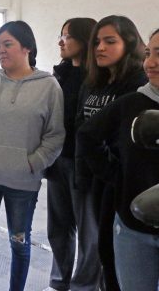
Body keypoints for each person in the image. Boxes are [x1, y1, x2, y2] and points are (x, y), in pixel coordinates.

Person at [0, 20, 65, 291]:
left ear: (27, 47)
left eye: (7, 44)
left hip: (22, 182)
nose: (1, 51)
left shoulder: (49, 86)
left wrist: (32, 163)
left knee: (19, 244)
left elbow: (55, 135)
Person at [76, 28, 159, 291]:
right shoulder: (131, 103)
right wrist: (116, 176)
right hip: (133, 231)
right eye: (149, 53)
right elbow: (86, 136)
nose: (150, 62)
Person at [45, 18, 99, 291]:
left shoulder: (99, 78)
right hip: (59, 159)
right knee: (58, 227)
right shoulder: (60, 75)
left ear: (84, 39)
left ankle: (84, 286)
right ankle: (59, 281)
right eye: (61, 35)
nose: (60, 41)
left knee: (89, 232)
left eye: (67, 36)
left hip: (85, 164)